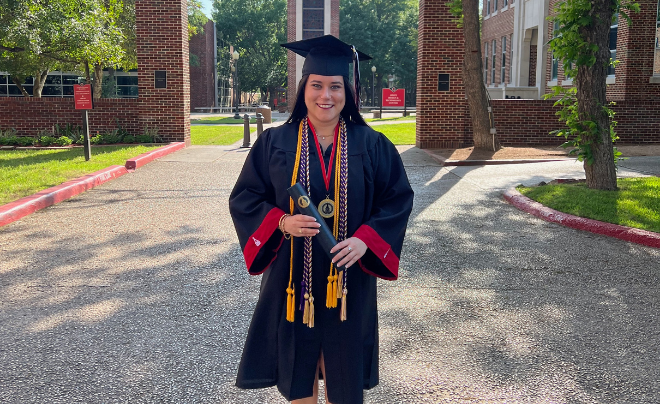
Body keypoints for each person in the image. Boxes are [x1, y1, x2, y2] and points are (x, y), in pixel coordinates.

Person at [229, 35, 414, 404]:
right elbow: (246, 197)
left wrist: (366, 239)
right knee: (298, 367)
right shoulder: (274, 142)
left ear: (348, 91)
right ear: (303, 89)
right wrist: (282, 223)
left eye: (335, 86)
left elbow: (397, 198)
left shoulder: (372, 144)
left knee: (343, 366)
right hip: (290, 278)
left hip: (350, 280)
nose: (325, 96)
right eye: (317, 85)